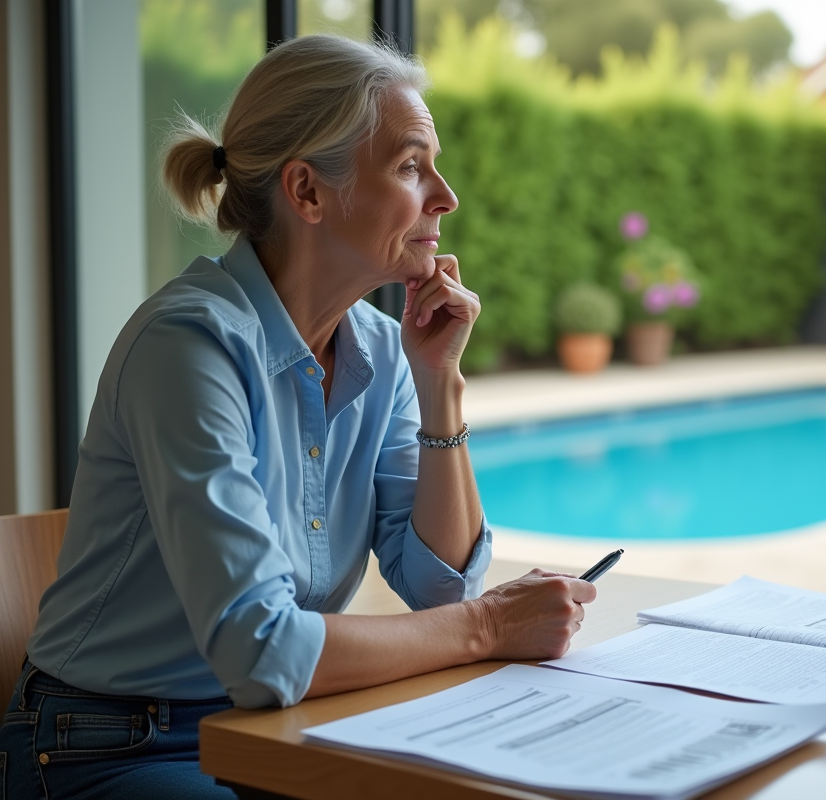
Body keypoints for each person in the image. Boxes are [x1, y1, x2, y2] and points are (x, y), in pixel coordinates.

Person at [0, 34, 596, 800]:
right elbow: (264, 649)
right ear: (308, 192)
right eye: (412, 166)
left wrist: (438, 382)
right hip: (110, 748)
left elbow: (437, 588)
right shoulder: (187, 347)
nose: (445, 196)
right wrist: (490, 628)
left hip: (281, 724)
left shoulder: (384, 348)